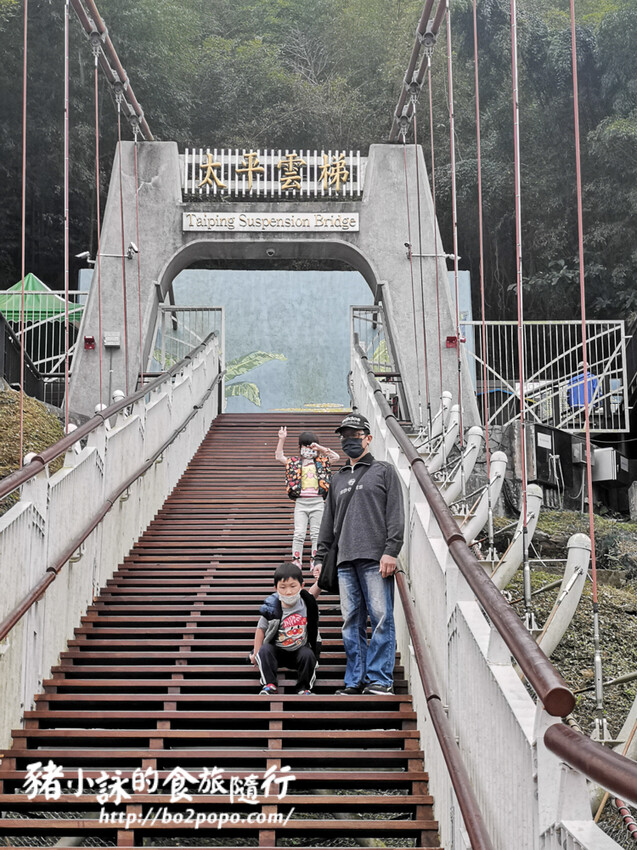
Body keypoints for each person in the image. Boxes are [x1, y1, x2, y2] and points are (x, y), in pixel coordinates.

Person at [314, 412, 404, 696]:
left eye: (355, 435)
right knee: (350, 622)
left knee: (380, 618)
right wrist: (320, 557)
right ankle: (355, 680)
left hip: (376, 559)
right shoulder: (337, 479)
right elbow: (328, 522)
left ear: (368, 438)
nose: (349, 440)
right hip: (344, 561)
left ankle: (380, 679)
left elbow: (395, 515)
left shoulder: (384, 471)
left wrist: (391, 551)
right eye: (345, 436)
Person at [250, 562, 321, 695]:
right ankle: (269, 684)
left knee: (308, 655)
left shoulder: (306, 602)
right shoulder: (271, 607)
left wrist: (319, 580)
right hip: (277, 652)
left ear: (302, 586)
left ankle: (304, 687)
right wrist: (256, 654)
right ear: (275, 588)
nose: (288, 592)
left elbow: (314, 591)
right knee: (264, 650)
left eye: (293, 586)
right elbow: (260, 629)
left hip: (299, 651)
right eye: (283, 587)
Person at [275, 426, 339, 568]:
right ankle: (296, 559)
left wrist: (320, 448)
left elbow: (336, 457)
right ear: (300, 447)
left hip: (318, 502)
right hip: (301, 503)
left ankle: (315, 560)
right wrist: (282, 439)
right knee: (299, 533)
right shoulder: (294, 462)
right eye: (305, 447)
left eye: (311, 447)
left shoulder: (322, 462)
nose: (309, 450)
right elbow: (279, 457)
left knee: (316, 534)